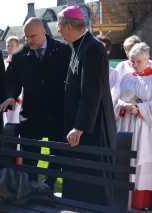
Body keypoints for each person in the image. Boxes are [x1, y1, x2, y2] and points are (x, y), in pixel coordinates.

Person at [0, 17, 71, 189]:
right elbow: (11, 81)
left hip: (57, 114)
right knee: (30, 157)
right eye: (26, 37)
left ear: (44, 31)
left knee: (57, 156)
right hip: (32, 116)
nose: (29, 40)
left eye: (33, 36)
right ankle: (30, 189)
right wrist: (11, 96)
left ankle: (49, 187)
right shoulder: (19, 56)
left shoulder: (63, 51)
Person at [56, 6, 117, 205]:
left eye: (58, 25)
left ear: (67, 26)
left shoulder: (91, 48)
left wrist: (79, 126)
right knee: (77, 179)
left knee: (92, 181)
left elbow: (92, 92)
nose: (57, 30)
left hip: (92, 129)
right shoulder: (79, 45)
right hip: (81, 126)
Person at [111, 42, 152, 212]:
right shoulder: (126, 77)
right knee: (128, 163)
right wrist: (123, 106)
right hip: (128, 128)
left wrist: (140, 108)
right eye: (133, 61)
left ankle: (149, 203)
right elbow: (115, 99)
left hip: (148, 132)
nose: (135, 65)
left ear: (148, 59)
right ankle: (127, 203)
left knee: (147, 165)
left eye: (139, 61)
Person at [3, 36, 21, 124]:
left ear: (17, 47)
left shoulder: (21, 63)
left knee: (15, 121)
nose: (9, 47)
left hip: (18, 97)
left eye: (12, 45)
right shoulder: (3, 63)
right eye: (8, 45)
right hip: (5, 96)